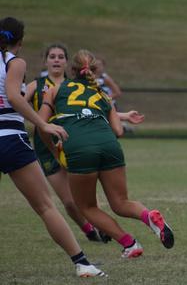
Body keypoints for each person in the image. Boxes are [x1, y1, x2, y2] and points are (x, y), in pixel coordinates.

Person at [38, 49, 174, 259]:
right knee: (121, 202)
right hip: (109, 145)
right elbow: (118, 130)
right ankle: (148, 216)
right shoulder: (104, 95)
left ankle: (130, 243)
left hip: (79, 148)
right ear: (94, 70)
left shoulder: (55, 89)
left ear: (71, 70)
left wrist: (55, 151)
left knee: (87, 207)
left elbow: (41, 125)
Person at [0, 17, 105, 277]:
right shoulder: (14, 61)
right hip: (10, 138)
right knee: (45, 206)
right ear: (20, 42)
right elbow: (13, 97)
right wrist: (42, 124)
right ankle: (82, 263)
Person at [24, 43, 110, 243]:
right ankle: (89, 230)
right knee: (70, 202)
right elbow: (16, 102)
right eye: (52, 56)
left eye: (60, 56)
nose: (56, 60)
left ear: (66, 62)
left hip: (74, 142)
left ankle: (102, 226)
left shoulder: (74, 86)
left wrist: (122, 115)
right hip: (47, 147)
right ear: (45, 60)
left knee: (87, 196)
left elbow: (96, 109)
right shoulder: (36, 85)